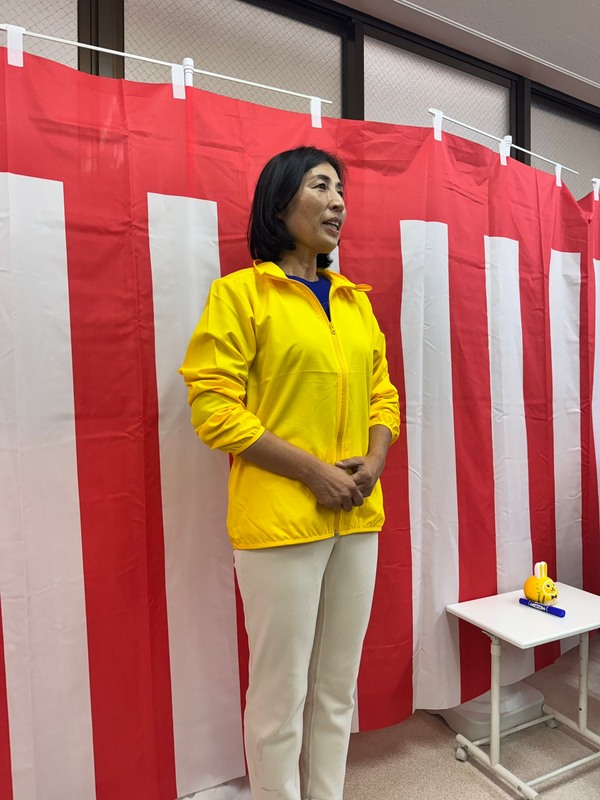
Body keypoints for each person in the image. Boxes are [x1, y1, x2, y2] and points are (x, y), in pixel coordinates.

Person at [180, 146, 399, 800]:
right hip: (279, 525)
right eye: (321, 186)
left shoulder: (355, 303)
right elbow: (214, 408)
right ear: (279, 204)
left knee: (337, 688)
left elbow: (383, 395)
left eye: (341, 191)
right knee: (280, 695)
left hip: (357, 517)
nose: (338, 202)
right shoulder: (240, 295)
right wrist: (312, 472)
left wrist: (374, 461)